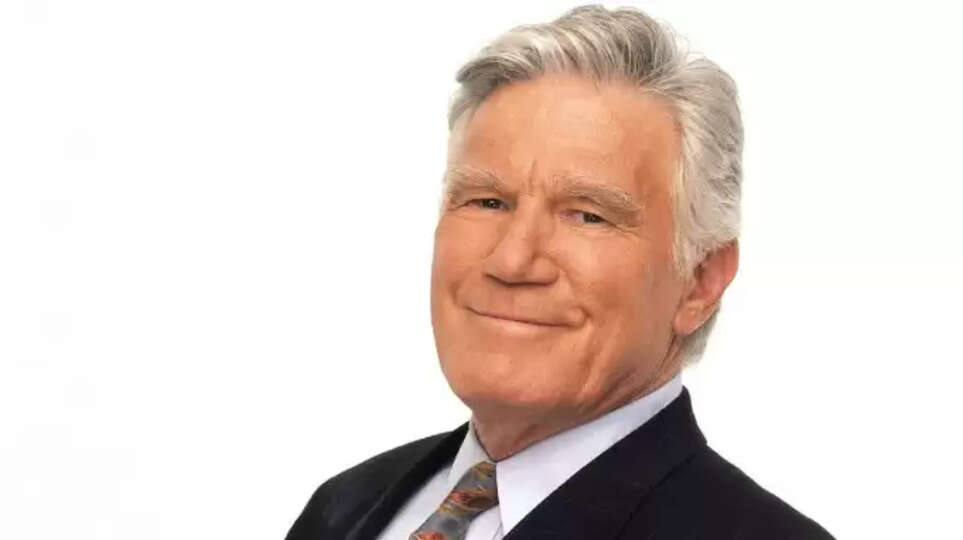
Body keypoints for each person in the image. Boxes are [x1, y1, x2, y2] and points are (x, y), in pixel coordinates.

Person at [286, 5, 833, 540]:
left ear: (700, 279)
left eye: (587, 215)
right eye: (487, 202)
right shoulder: (344, 507)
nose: (512, 261)